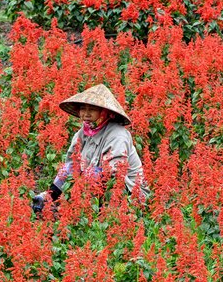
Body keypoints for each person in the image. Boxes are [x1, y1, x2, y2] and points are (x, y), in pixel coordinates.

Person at [32, 84, 150, 213]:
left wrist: (81, 183)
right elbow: (72, 163)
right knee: (68, 168)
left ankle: (84, 209)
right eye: (83, 108)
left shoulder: (117, 134)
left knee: (91, 173)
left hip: (127, 191)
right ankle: (49, 198)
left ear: (105, 112)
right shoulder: (84, 132)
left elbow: (114, 173)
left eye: (92, 109)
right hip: (93, 183)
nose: (86, 114)